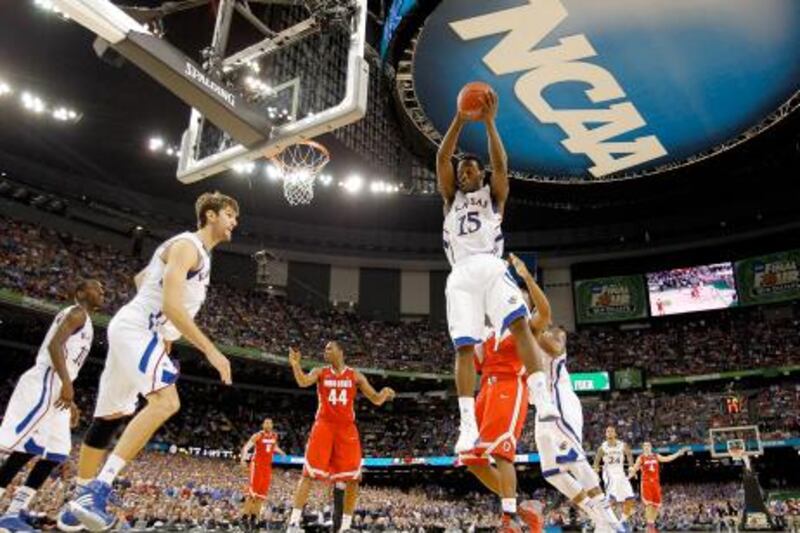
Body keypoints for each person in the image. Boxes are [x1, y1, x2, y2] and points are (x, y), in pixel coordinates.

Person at [61, 192, 238, 531]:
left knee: (110, 416)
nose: (235, 222)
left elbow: (142, 279)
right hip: (138, 328)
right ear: (211, 215)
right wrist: (211, 351)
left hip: (139, 329)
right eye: (229, 215)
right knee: (166, 402)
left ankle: (78, 501)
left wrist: (167, 339)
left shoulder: (191, 252)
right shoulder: (189, 246)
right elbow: (171, 305)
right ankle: (99, 489)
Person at [436, 88, 556, 455]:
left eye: (470, 168)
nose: (463, 172)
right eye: (461, 170)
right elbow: (442, 156)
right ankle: (467, 424)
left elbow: (502, 166)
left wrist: (489, 124)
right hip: (460, 273)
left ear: (481, 174)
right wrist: (459, 117)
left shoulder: (493, 195)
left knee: (520, 324)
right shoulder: (449, 199)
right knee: (465, 348)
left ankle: (542, 399)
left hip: (490, 264)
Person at [507, 256, 624, 533]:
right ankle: (596, 514)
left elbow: (556, 350)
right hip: (542, 408)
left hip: (559, 400)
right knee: (552, 472)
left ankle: (611, 521)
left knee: (574, 459)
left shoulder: (554, 331)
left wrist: (529, 328)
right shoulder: (518, 340)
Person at [0, 280, 104, 532]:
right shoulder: (76, 312)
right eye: (95, 288)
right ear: (79, 292)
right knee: (24, 447)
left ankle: (14, 512)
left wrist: (72, 398)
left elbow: (66, 359)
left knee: (56, 452)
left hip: (58, 384)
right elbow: (54, 345)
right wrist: (66, 384)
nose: (101, 292)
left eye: (102, 290)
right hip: (46, 380)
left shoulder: (85, 319)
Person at [286, 341, 395, 532]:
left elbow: (375, 399)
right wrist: (295, 365)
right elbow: (303, 381)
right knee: (308, 473)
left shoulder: (355, 375)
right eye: (325, 348)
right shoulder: (320, 371)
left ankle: (345, 527)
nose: (325, 351)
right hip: (324, 426)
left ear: (340, 352)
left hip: (346, 429)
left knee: (353, 478)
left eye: (329, 348)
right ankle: (293, 523)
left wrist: (384, 393)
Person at [629, 442, 690, 533]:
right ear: (643, 448)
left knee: (656, 506)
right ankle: (649, 527)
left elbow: (667, 458)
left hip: (656, 484)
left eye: (648, 445)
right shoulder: (641, 457)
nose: (646, 447)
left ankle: (652, 524)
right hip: (646, 483)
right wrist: (630, 473)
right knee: (648, 505)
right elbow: (635, 468)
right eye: (645, 446)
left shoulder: (656, 456)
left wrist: (678, 453)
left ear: (651, 447)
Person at [240, 418, 285, 531]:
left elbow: (273, 446)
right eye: (266, 422)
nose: (268, 424)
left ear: (272, 425)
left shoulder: (274, 436)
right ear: (263, 424)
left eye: (270, 423)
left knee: (261, 496)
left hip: (267, 467)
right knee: (252, 494)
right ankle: (244, 518)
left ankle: (254, 519)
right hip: (257, 465)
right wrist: (243, 460)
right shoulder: (258, 435)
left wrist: (281, 452)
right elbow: (246, 447)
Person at [595, 426, 637, 527]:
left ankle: (622, 521)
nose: (609, 433)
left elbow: (629, 455)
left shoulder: (622, 445)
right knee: (611, 498)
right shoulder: (602, 447)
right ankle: (602, 515)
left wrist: (631, 467)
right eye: (607, 431)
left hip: (621, 473)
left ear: (615, 433)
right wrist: (596, 471)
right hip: (609, 473)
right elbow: (596, 462)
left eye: (611, 431)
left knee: (630, 499)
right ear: (605, 434)